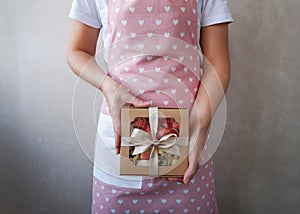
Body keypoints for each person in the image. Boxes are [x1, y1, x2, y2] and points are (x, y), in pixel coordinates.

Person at [67, 0, 233, 213]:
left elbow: (217, 61)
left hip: (186, 145)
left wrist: (198, 124)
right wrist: (109, 88)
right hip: (119, 148)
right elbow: (77, 50)